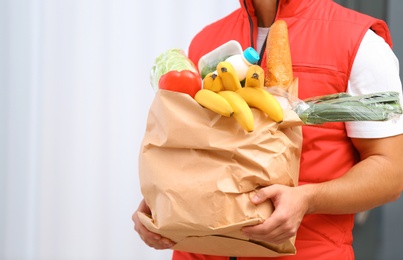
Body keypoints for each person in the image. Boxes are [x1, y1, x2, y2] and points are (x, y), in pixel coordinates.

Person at [133, 0, 403, 259]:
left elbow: (391, 173)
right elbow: (187, 147)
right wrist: (160, 202)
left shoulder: (359, 42)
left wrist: (309, 199)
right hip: (197, 253)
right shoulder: (207, 41)